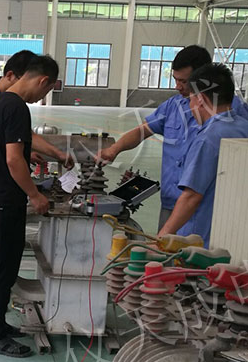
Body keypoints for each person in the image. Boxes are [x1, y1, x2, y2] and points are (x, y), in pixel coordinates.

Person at [0, 50, 72, 310]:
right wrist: (32, 190)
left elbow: (19, 138)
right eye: (44, 92)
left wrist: (54, 153)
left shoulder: (3, 102)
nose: (39, 98)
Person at [96, 45, 247, 229]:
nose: (178, 86)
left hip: (208, 208)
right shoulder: (173, 106)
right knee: (167, 242)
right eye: (175, 80)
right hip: (172, 202)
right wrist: (114, 149)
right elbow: (143, 130)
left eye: (183, 81)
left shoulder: (231, 112)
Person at [0, 55, 59, 358]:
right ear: (43, 81)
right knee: (1, 270)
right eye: (46, 91)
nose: (42, 97)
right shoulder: (17, 107)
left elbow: (8, 151)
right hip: (3, 201)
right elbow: (13, 160)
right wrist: (35, 195)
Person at [157, 62, 248, 247]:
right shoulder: (243, 127)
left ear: (200, 99)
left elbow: (192, 197)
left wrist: (161, 239)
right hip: (235, 237)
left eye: (190, 100)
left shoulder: (208, 138)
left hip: (201, 241)